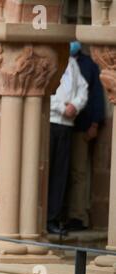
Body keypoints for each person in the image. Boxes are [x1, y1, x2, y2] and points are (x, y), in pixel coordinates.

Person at [65, 41, 106, 231]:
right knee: (59, 171)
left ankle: (77, 215)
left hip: (81, 126)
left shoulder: (89, 64)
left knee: (78, 172)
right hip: (59, 124)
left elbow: (97, 94)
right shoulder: (60, 58)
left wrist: (95, 123)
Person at [48, 55, 89, 235]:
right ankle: (41, 219)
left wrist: (75, 105)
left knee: (60, 173)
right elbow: (43, 88)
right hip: (49, 121)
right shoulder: (48, 57)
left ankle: (53, 218)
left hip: (67, 125)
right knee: (46, 172)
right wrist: (61, 107)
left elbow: (83, 88)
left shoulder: (71, 62)